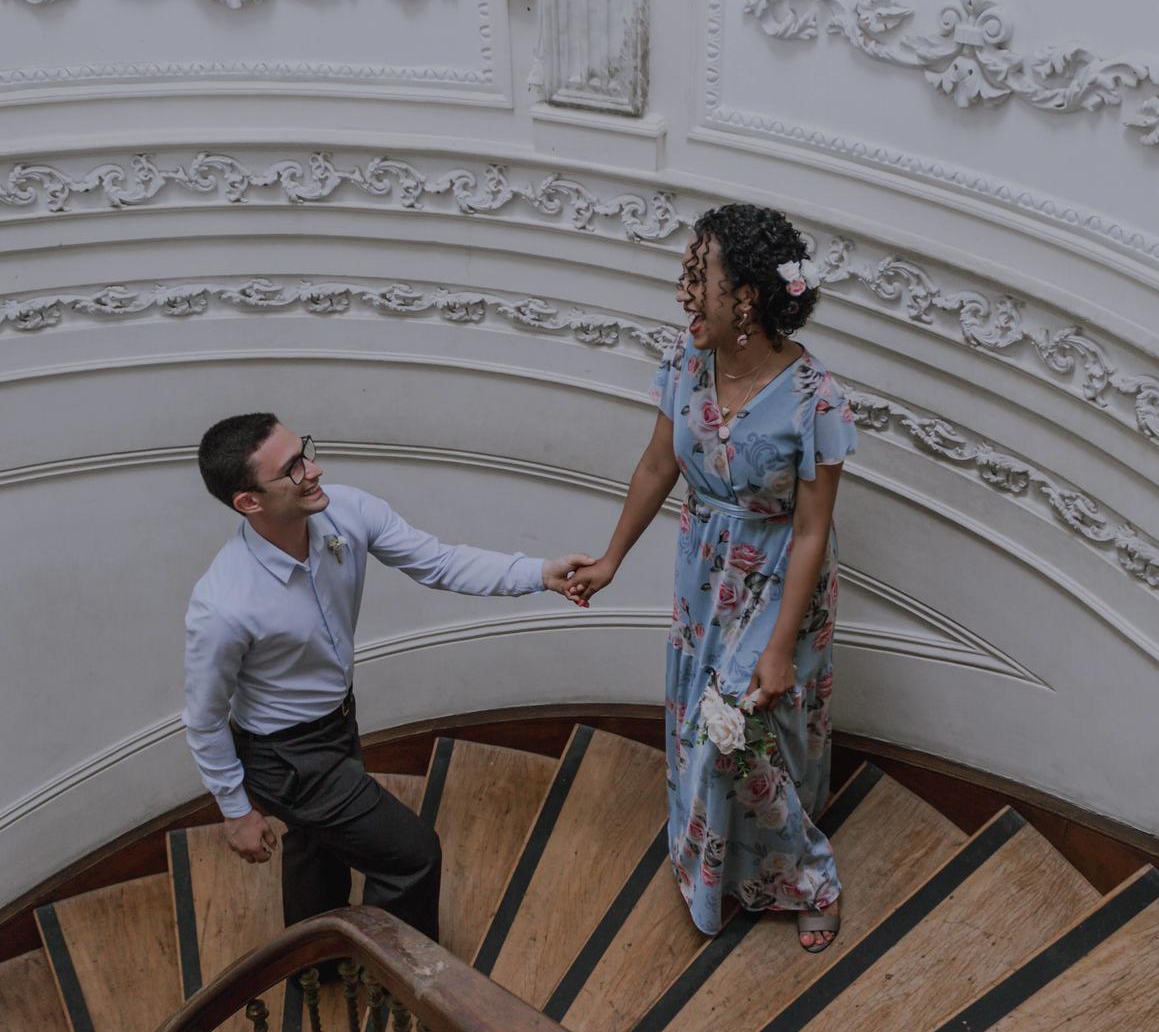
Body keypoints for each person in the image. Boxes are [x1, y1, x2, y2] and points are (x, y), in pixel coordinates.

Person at [567, 204, 856, 951]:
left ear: (747, 298)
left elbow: (813, 530)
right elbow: (657, 464)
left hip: (781, 579)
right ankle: (721, 864)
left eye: (700, 279)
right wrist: (611, 558)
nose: (684, 295)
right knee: (709, 729)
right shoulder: (686, 361)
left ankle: (809, 879)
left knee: (736, 733)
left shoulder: (816, 398)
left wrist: (780, 646)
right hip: (704, 573)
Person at [184, 413, 590, 942]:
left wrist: (538, 573)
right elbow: (204, 717)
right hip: (285, 757)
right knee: (412, 856)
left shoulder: (347, 511)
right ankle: (395, 973)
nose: (315, 470)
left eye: (305, 451)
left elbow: (440, 562)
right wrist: (236, 810)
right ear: (249, 502)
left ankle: (316, 963)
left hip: (337, 722)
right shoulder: (223, 604)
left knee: (318, 844)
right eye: (293, 468)